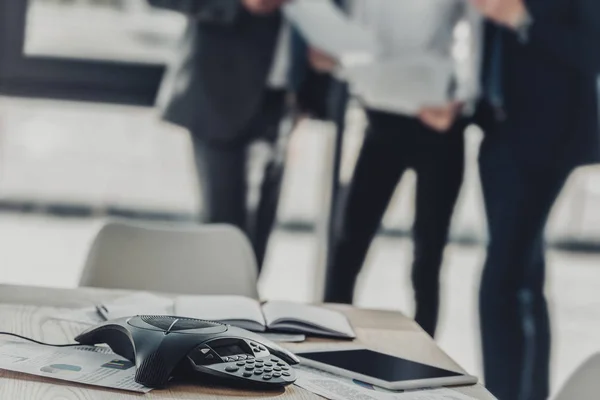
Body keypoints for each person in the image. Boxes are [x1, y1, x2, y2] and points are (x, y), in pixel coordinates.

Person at [322, 0, 482, 338]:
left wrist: (463, 100)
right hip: (381, 118)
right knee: (349, 241)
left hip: (439, 124)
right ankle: (326, 344)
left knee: (429, 253)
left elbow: (477, 32)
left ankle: (425, 361)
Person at [469, 0, 600, 398]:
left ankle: (504, 395)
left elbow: (592, 50)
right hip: (499, 132)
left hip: (549, 139)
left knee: (500, 284)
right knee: (524, 276)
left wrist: (523, 18)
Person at [149, 0, 297, 270]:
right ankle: (218, 308)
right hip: (220, 94)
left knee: (257, 239)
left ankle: (245, 306)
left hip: (282, 100)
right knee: (223, 233)